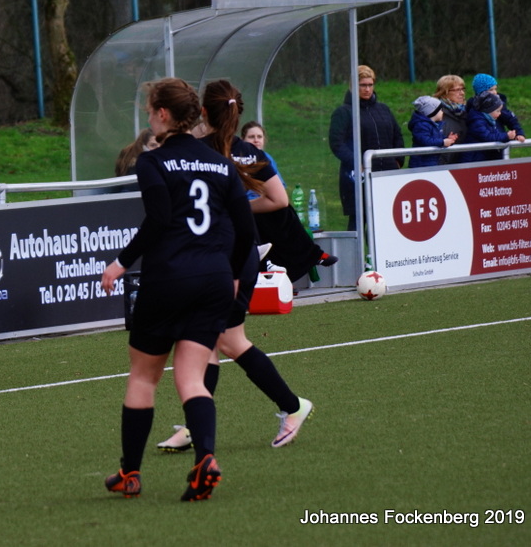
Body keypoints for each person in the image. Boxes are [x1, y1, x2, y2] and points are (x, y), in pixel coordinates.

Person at [99, 77, 256, 502]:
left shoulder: (152, 162)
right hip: (214, 280)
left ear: (164, 114)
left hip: (169, 278)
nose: (148, 116)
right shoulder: (221, 164)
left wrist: (120, 262)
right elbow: (246, 230)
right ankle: (205, 459)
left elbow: (159, 219)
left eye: (150, 109)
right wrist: (234, 275)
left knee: (143, 377)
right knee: (191, 377)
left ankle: (130, 474)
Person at [157, 81, 315, 455]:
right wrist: (239, 208)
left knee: (228, 341)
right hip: (236, 253)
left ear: (203, 112)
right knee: (209, 342)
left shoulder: (198, 151)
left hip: (223, 256)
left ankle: (293, 406)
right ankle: (195, 425)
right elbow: (278, 199)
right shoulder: (246, 151)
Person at [237, 120, 336, 281]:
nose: (256, 140)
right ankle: (313, 256)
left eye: (259, 137)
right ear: (242, 140)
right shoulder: (239, 158)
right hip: (246, 205)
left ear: (264, 140)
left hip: (265, 204)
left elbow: (279, 188)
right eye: (251, 137)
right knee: (276, 218)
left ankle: (297, 269)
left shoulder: (266, 158)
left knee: (284, 210)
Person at [328, 65, 404, 230]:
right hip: (358, 176)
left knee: (387, 223)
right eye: (362, 85)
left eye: (370, 85)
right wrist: (356, 163)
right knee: (358, 222)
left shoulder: (384, 109)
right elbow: (336, 143)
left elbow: (397, 135)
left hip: (386, 174)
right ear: (353, 86)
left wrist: (398, 160)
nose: (367, 89)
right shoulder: (344, 112)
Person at [459, 92, 517, 163]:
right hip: (473, 160)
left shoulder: (488, 121)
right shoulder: (477, 123)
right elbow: (488, 137)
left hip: (481, 158)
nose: (500, 113)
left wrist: (510, 137)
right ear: (489, 110)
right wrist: (506, 136)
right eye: (497, 111)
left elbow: (494, 134)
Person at [471, 74, 525, 142]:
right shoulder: (474, 111)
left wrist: (519, 133)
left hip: (498, 140)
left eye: (495, 89)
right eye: (490, 90)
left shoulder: (498, 103)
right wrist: (506, 136)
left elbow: (510, 119)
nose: (494, 92)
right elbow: (485, 135)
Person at [408, 96, 457, 169]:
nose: (442, 112)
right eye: (440, 110)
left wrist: (448, 139)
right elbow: (426, 141)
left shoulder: (435, 125)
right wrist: (443, 142)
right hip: (421, 163)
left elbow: (436, 138)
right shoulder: (421, 125)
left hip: (432, 162)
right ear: (433, 112)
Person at [432, 75, 468, 164]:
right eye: (457, 90)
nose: (462, 93)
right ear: (444, 92)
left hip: (462, 164)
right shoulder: (435, 113)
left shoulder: (466, 111)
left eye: (462, 89)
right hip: (441, 166)